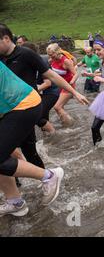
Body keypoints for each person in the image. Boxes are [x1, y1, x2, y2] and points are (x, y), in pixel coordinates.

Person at [0, 24, 88, 169]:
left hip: (26, 107)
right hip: (7, 109)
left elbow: (51, 75)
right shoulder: (1, 58)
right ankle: (20, 182)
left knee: (29, 151)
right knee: (9, 150)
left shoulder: (26, 54)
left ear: (6, 39)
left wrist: (75, 92)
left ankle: (46, 178)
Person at [0, 60, 65, 217]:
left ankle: (49, 176)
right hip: (13, 107)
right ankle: (15, 202)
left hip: (22, 106)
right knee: (3, 155)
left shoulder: (24, 55)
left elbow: (51, 77)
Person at [47, 43, 79, 126]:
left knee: (57, 107)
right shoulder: (51, 60)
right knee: (61, 107)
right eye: (49, 55)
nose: (50, 57)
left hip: (68, 86)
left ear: (57, 52)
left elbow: (76, 74)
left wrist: (72, 81)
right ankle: (64, 122)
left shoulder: (66, 61)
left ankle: (71, 125)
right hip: (59, 86)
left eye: (52, 54)